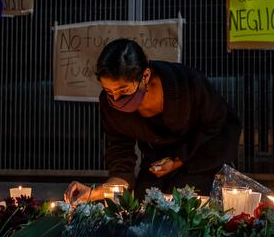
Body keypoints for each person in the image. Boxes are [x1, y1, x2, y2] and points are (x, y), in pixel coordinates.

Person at [64, 39, 241, 204]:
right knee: (146, 198)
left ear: (146, 76)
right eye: (109, 91)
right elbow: (120, 156)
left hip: (204, 152)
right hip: (159, 162)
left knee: (183, 199)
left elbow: (215, 123)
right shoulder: (110, 106)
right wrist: (95, 193)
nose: (116, 99)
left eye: (123, 90)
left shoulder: (186, 83)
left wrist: (178, 159)